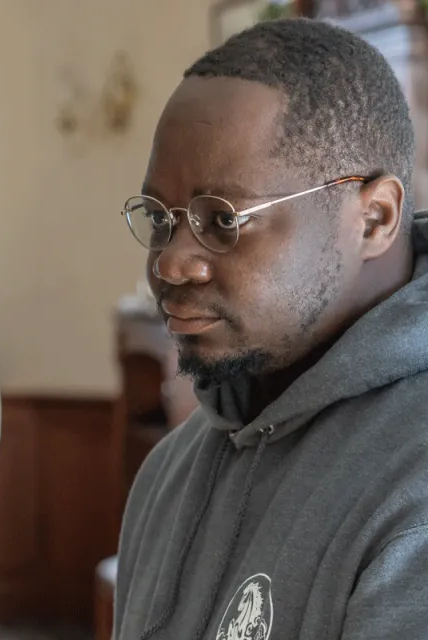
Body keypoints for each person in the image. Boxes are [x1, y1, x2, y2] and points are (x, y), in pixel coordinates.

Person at [115, 17, 428, 640]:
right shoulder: (167, 474)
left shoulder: (414, 492)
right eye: (159, 217)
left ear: (373, 217)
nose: (171, 261)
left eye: (224, 220)